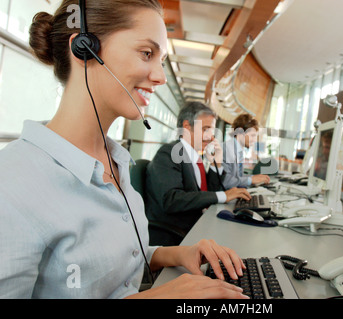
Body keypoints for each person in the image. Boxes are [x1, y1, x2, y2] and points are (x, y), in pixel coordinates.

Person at [0, 0, 248, 299]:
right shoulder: (12, 184)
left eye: (161, 59)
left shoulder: (116, 162)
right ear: (83, 49)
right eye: (147, 53)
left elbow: (118, 259)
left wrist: (177, 254)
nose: (160, 76)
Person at [145, 102, 252, 246]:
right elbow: (171, 200)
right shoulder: (170, 152)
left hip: (196, 226)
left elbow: (209, 192)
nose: (210, 137)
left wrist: (217, 163)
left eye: (212, 132)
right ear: (187, 127)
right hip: (174, 236)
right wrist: (224, 196)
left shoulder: (195, 156)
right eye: (205, 129)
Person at [222, 114, 271, 189]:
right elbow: (226, 181)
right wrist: (250, 180)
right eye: (252, 135)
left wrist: (254, 177)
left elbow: (238, 177)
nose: (255, 140)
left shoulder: (239, 150)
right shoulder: (226, 149)